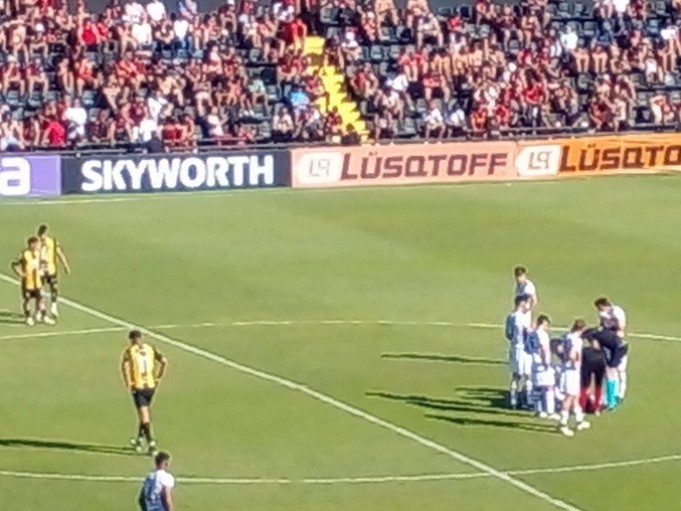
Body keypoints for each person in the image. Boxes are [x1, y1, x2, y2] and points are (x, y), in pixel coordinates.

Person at [121, 330, 169, 456]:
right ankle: (139, 440)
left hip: (139, 386)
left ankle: (151, 444)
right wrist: (159, 377)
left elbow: (124, 365)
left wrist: (128, 382)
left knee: (144, 415)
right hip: (151, 386)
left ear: (131, 340)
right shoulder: (150, 348)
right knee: (144, 414)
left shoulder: (129, 351)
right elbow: (164, 361)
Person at [584, 297, 628, 409]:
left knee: (619, 370)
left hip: (617, 343)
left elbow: (621, 327)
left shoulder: (617, 312)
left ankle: (619, 394)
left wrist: (610, 329)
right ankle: (611, 397)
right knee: (610, 371)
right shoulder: (602, 314)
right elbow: (601, 325)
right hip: (608, 342)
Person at [556, 320, 590, 436]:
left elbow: (559, 349)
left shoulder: (566, 336)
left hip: (566, 369)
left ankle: (579, 420)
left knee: (575, 395)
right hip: (571, 371)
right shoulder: (577, 340)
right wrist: (576, 361)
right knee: (569, 397)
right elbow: (572, 354)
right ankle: (562, 424)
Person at [10, 237, 54, 326]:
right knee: (27, 300)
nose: (38, 246)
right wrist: (20, 273)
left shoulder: (38, 254)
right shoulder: (24, 254)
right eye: (37, 244)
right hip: (28, 283)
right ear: (31, 244)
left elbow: (42, 263)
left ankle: (44, 316)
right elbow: (14, 264)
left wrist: (44, 269)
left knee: (41, 299)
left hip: (37, 282)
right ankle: (28, 317)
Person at [526, 314, 558, 420]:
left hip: (533, 363)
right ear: (544, 323)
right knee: (549, 387)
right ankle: (550, 412)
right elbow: (544, 350)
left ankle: (538, 410)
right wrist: (546, 364)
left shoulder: (531, 334)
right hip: (541, 364)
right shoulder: (543, 335)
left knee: (537, 388)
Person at [37, 224, 71, 318]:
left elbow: (59, 253)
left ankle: (54, 307)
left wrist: (65, 265)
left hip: (51, 269)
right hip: (40, 271)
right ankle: (40, 309)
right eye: (40, 234)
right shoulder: (36, 243)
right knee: (39, 290)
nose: (41, 236)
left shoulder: (52, 242)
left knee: (54, 288)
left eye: (43, 234)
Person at [504, 295, 532, 409]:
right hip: (523, 349)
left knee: (515, 375)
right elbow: (527, 333)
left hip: (513, 347)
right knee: (528, 376)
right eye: (527, 303)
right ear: (522, 304)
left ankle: (513, 400)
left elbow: (508, 334)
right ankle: (527, 401)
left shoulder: (510, 317)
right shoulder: (521, 317)